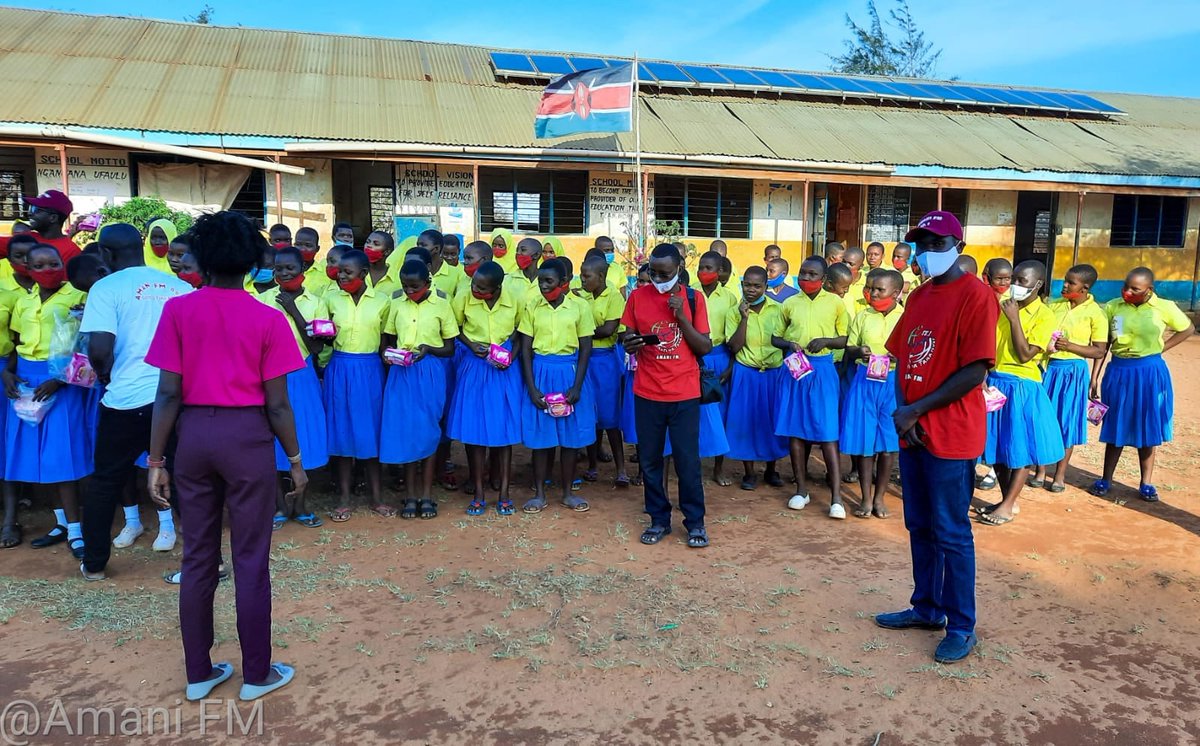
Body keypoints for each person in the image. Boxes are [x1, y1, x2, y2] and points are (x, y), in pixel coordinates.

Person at [145, 210, 305, 702]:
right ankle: (257, 673)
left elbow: (167, 394)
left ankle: (199, 672)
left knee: (198, 558)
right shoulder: (268, 317)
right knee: (251, 559)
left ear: (203, 258)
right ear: (253, 263)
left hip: (193, 435)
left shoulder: (178, 311)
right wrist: (295, 460)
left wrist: (156, 461)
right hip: (247, 437)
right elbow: (277, 403)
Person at [876, 210, 998, 665]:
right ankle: (926, 608)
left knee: (951, 531)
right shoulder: (920, 296)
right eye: (922, 244)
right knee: (919, 526)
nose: (928, 252)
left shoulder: (976, 296)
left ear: (958, 247)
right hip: (914, 432)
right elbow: (903, 356)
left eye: (936, 243)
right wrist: (906, 414)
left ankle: (961, 625)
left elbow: (974, 370)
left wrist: (917, 410)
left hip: (951, 433)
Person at [76, 224, 191, 579]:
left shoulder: (105, 287)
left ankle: (94, 564)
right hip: (175, 399)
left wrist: (107, 376)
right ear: (141, 247)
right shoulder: (181, 287)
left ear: (107, 255)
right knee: (188, 481)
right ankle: (208, 560)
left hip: (125, 400)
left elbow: (98, 349)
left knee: (106, 481)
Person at [621, 244, 713, 548]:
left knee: (688, 462)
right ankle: (659, 520)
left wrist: (681, 317)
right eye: (654, 272)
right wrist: (630, 343)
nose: (659, 279)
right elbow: (626, 335)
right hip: (647, 391)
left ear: (680, 268)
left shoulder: (693, 298)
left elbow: (704, 347)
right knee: (649, 461)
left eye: (666, 273)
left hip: (684, 393)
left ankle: (695, 523)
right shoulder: (637, 296)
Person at [4, 244, 92, 558]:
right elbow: (17, 344)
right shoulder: (22, 301)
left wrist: (60, 380)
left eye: (53, 263)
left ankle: (77, 529)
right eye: (38, 266)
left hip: (61, 381)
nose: (47, 270)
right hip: (27, 382)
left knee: (60, 455)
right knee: (37, 458)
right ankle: (60, 524)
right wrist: (7, 373)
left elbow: (85, 345)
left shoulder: (77, 297)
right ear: (28, 268)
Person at [1089, 267, 1194, 502]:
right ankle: (1106, 478)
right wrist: (1094, 376)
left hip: (1149, 373)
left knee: (1147, 426)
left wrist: (1160, 349)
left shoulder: (1164, 307)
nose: (1127, 291)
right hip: (1118, 371)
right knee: (1115, 424)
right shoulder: (1113, 306)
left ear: (1149, 290)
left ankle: (1146, 482)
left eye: (1135, 289)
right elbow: (1104, 344)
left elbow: (1187, 328)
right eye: (1125, 286)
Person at [976, 261, 1066, 525]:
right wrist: (983, 376)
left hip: (1023, 386)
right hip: (997, 382)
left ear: (1037, 285)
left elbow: (1026, 354)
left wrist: (1015, 319)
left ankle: (1008, 504)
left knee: (1020, 448)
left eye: (1022, 281)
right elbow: (989, 345)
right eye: (1013, 279)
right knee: (999, 447)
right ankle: (1007, 501)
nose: (1014, 285)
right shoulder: (1001, 305)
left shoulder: (1044, 315)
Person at [517, 258, 596, 514]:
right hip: (540, 371)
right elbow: (525, 350)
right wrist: (531, 387)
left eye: (548, 281)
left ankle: (568, 493)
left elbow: (586, 347)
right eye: (540, 281)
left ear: (564, 283)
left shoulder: (580, 306)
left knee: (571, 438)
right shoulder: (533, 306)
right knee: (542, 436)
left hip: (570, 372)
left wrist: (577, 386)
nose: (542, 286)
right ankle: (539, 493)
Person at [381, 259, 457, 519]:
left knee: (427, 431)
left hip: (430, 372)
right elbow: (388, 337)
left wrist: (428, 349)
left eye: (414, 287)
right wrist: (387, 354)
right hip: (401, 373)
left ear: (428, 283)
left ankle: (427, 495)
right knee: (406, 432)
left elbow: (450, 348)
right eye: (404, 287)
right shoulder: (397, 304)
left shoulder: (442, 306)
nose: (409, 292)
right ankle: (410, 496)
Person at [258, 247, 329, 529]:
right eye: (279, 268)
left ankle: (300, 506)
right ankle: (278, 507)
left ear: (303, 269)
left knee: (303, 437)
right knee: (272, 439)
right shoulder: (261, 301)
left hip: (303, 374)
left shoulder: (317, 303)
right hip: (270, 376)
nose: (285, 273)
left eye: (291, 268)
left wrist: (292, 308)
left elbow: (316, 346)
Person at [774, 257, 849, 517]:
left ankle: (836, 498)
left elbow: (845, 338)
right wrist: (788, 344)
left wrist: (827, 340)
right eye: (802, 273)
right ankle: (801, 489)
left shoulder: (836, 303)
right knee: (796, 431)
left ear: (824, 278)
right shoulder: (789, 303)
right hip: (796, 369)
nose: (806, 278)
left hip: (824, 368)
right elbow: (776, 336)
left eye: (812, 274)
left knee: (827, 432)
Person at [448, 260, 522, 515]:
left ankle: (504, 493)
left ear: (497, 287)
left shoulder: (514, 299)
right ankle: (478, 492)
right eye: (474, 284)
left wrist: (509, 354)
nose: (475, 289)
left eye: (481, 288)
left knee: (503, 433)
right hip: (475, 366)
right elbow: (453, 327)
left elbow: (521, 331)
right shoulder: (464, 297)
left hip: (504, 369)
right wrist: (470, 344)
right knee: (474, 432)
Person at [323, 249, 390, 521]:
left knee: (370, 432)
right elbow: (323, 335)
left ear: (363, 274)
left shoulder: (383, 301)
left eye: (347, 272)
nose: (341, 276)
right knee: (341, 431)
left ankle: (376, 498)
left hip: (370, 368)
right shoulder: (329, 299)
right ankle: (345, 498)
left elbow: (386, 339)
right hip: (339, 367)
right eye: (339, 272)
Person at [1032, 264, 1107, 492]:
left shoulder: (1096, 314)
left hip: (1074, 372)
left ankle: (1059, 476)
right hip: (1050, 368)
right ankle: (1040, 471)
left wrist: (1071, 346)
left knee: (1067, 422)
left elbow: (1099, 351)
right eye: (1065, 280)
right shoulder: (1054, 307)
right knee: (1045, 419)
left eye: (1070, 283)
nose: (1064, 285)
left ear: (1084, 288)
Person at [840, 269, 904, 518]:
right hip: (865, 380)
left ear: (896, 293)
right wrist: (859, 351)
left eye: (880, 290)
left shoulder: (906, 316)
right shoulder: (862, 316)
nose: (874, 293)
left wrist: (901, 357)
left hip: (892, 383)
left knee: (888, 444)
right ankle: (865, 498)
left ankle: (880, 498)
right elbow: (850, 347)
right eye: (871, 288)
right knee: (866, 443)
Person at [725, 266, 787, 493]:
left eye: (756, 286)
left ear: (766, 287)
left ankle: (772, 469)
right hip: (746, 372)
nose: (750, 290)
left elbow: (784, 340)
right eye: (746, 285)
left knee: (772, 421)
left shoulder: (779, 310)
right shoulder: (734, 311)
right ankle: (749, 472)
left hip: (773, 374)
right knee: (746, 421)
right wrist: (744, 318)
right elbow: (734, 346)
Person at [580, 255, 629, 488]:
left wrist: (583, 332)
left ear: (601, 277)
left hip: (605, 360)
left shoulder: (614, 297)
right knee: (590, 413)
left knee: (610, 416)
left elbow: (609, 329)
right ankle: (592, 465)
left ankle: (621, 469)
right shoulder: (580, 295)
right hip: (585, 359)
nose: (582, 279)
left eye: (586, 276)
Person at [696, 251, 738, 486]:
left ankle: (718, 468)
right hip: (694, 358)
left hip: (720, 357)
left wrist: (730, 365)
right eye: (701, 266)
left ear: (721, 272)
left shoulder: (729, 298)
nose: (704, 271)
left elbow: (732, 339)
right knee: (693, 413)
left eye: (709, 267)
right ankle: (692, 464)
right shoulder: (689, 292)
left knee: (720, 412)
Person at [24, 190, 80, 264]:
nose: (30, 213)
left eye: (35, 209)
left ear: (53, 218)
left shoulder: (71, 251)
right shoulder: (26, 238)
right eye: (30, 208)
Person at [363, 231, 399, 296]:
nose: (369, 246)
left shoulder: (398, 279)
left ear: (387, 252)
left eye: (376, 244)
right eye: (367, 242)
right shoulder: (356, 272)